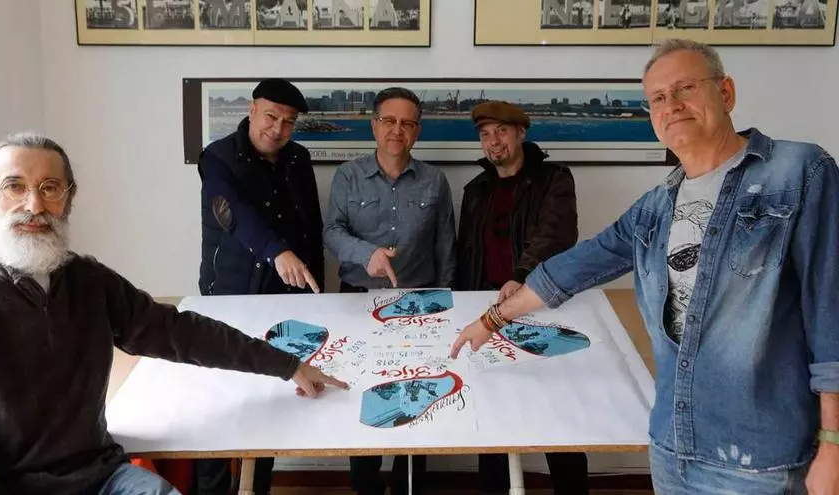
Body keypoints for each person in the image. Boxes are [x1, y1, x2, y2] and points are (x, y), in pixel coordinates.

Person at [451, 38, 839, 495]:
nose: (671, 105)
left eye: (685, 88)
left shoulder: (799, 173)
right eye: (657, 98)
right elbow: (575, 266)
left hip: (760, 460)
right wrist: (492, 319)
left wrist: (833, 443)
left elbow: (830, 315)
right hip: (672, 449)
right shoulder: (654, 209)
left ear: (726, 92)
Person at [0, 133, 349, 495]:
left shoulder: (87, 279)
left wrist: (287, 365)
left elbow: (179, 332)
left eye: (50, 187)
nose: (34, 205)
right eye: (15, 186)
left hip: (100, 475)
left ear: (69, 197)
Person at [323, 87, 456, 495]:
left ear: (417, 131)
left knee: (415, 394)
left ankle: (407, 485)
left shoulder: (435, 181)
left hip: (419, 304)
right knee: (361, 393)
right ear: (374, 125)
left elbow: (445, 246)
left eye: (407, 123)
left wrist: (447, 306)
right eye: (389, 121)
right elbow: (332, 232)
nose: (397, 130)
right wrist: (367, 254)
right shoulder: (347, 176)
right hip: (357, 300)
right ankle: (365, 485)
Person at [455, 100, 588, 495]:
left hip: (541, 307)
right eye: (485, 134)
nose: (493, 141)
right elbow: (466, 252)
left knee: (557, 416)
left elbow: (556, 234)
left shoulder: (554, 179)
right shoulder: (475, 190)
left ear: (521, 133)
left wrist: (520, 277)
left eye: (502, 131)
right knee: (492, 416)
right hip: (488, 314)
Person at [197, 78, 323, 494]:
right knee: (219, 399)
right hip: (229, 294)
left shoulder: (298, 158)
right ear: (252, 110)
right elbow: (229, 211)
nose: (278, 129)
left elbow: (310, 225)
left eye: (288, 122)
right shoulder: (217, 157)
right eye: (271, 116)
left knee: (273, 388)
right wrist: (277, 251)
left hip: (285, 295)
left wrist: (318, 289)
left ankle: (259, 487)